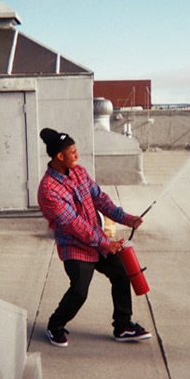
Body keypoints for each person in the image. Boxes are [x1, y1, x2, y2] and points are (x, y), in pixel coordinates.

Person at [37, 127, 152, 347]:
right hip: (75, 247)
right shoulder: (48, 190)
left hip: (99, 243)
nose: (77, 155)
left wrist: (127, 219)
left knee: (121, 273)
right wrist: (105, 243)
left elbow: (100, 199)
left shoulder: (79, 172)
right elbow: (73, 224)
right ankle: (55, 325)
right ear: (60, 156)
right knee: (79, 292)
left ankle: (123, 326)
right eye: (73, 152)